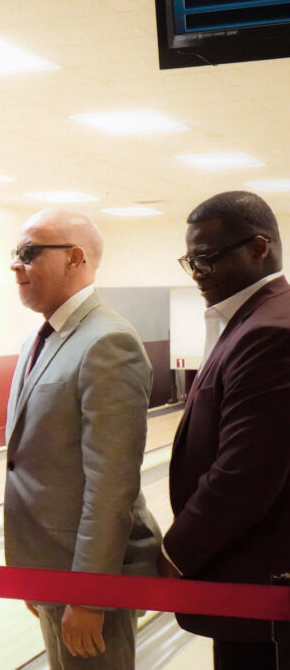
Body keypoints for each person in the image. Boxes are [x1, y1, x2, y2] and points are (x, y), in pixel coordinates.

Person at [4, 207, 160, 669]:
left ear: (75, 258)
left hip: (89, 578)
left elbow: (111, 485)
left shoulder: (108, 341)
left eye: (29, 253)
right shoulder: (44, 337)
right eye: (14, 253)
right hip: (52, 566)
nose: (16, 264)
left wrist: (89, 596)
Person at [161, 191, 290, 669]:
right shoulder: (253, 318)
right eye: (189, 261)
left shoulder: (272, 331)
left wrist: (174, 554)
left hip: (257, 585)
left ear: (259, 248)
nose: (196, 274)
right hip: (246, 581)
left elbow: (245, 474)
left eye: (207, 259)